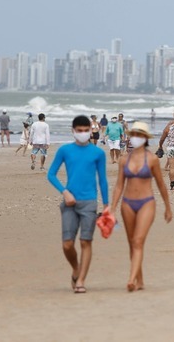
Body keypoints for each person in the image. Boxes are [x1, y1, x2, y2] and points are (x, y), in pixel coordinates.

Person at [47, 115, 109, 294]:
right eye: (79, 131)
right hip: (69, 201)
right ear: (73, 131)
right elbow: (51, 174)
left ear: (91, 130)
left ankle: (81, 280)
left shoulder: (98, 153)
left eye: (86, 130)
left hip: (89, 202)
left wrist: (106, 205)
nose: (83, 134)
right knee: (67, 244)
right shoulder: (65, 150)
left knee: (85, 241)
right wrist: (64, 192)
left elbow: (103, 180)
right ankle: (76, 268)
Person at [110, 121, 172, 292]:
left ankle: (131, 280)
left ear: (145, 138)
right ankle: (140, 280)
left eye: (139, 135)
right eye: (134, 135)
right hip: (127, 203)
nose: (136, 138)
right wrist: (112, 208)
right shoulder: (124, 160)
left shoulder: (151, 159)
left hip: (146, 202)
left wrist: (168, 207)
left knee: (138, 241)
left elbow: (160, 184)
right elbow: (118, 186)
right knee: (132, 243)